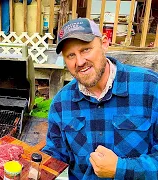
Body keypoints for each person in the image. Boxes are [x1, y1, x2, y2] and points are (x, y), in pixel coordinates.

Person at [42, 18, 158, 179]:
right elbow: (56, 153)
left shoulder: (150, 88)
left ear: (104, 43)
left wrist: (121, 168)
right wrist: (29, 167)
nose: (80, 62)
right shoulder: (62, 103)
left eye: (85, 50)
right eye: (70, 55)